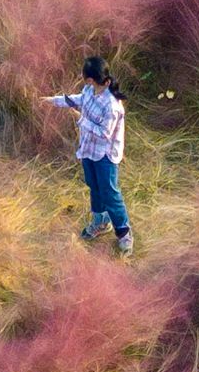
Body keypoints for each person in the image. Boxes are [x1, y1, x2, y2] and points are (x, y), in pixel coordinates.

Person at [40, 56, 132, 257]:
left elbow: (105, 133)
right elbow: (78, 99)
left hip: (105, 154)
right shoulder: (89, 90)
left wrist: (81, 120)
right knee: (94, 186)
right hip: (89, 150)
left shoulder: (112, 106)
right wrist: (53, 101)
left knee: (110, 192)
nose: (88, 85)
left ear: (104, 82)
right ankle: (100, 222)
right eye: (87, 81)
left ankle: (124, 232)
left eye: (91, 82)